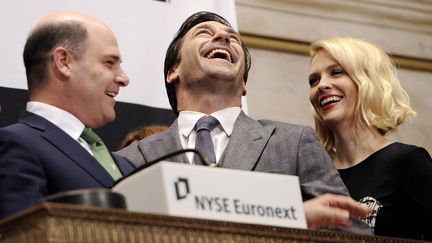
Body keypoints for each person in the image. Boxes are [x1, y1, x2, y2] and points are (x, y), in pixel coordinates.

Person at [117, 11, 371, 233]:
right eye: (204, 33)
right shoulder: (131, 159)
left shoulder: (292, 143)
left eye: (233, 38)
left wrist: (292, 221)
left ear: (244, 85)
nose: (224, 38)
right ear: (174, 71)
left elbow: (353, 232)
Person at [0, 11, 135, 219]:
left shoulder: (126, 166)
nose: (124, 78)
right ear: (63, 61)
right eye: (109, 62)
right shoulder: (18, 144)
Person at [308, 36, 432, 240]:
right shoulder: (312, 171)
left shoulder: (407, 161)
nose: (321, 85)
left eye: (336, 72)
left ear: (367, 82)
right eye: (314, 80)